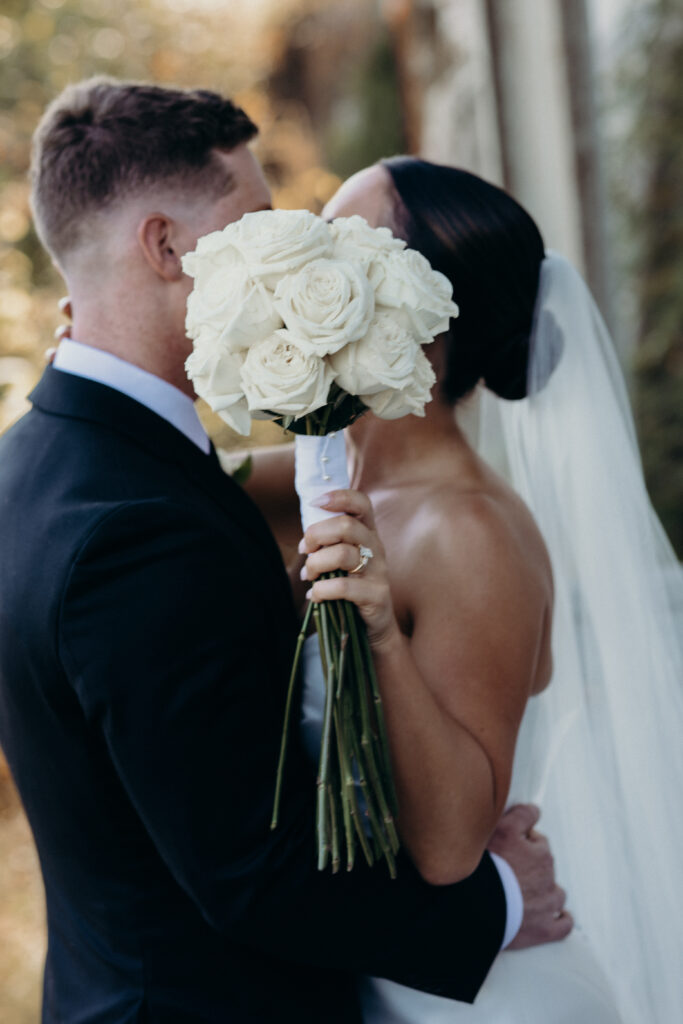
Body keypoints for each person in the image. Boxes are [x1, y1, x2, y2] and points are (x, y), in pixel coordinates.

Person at [0, 80, 567, 1024]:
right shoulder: (151, 514)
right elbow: (246, 874)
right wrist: (498, 906)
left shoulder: (47, 463)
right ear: (166, 245)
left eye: (321, 250)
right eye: (264, 225)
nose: (290, 262)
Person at [244, 158, 683, 1023]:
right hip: (368, 965)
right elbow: (179, 484)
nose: (307, 271)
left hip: (474, 997)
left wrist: (379, 634)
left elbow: (449, 848)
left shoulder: (469, 531)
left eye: (341, 248)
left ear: (421, 319)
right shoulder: (324, 473)